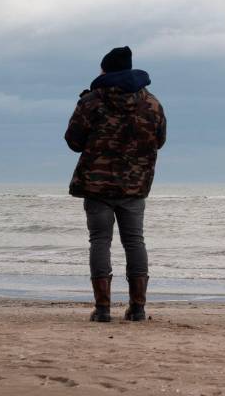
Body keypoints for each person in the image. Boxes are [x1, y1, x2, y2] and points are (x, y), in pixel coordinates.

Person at [65, 46, 166, 323]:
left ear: (106, 70)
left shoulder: (91, 102)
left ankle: (103, 309)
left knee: (100, 241)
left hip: (97, 186)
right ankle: (138, 309)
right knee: (135, 242)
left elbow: (73, 141)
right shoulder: (152, 103)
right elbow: (160, 140)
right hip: (135, 185)